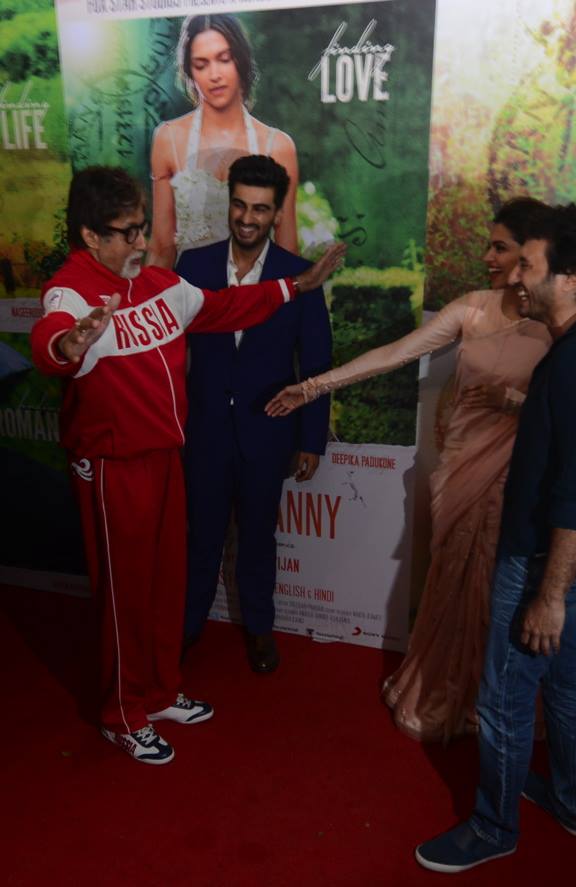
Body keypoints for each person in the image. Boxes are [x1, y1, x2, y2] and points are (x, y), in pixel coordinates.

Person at [30, 166, 343, 765]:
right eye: (126, 232)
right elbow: (54, 337)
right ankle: (121, 714)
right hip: (113, 463)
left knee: (163, 585)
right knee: (124, 598)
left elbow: (227, 306)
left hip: (166, 457)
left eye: (143, 227)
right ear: (92, 237)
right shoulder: (70, 289)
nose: (141, 242)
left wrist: (293, 288)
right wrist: (68, 346)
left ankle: (158, 690)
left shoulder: (154, 282)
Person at [267, 198, 553, 740]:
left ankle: (489, 699)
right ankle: (445, 687)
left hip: (512, 480)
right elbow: (394, 353)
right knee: (450, 582)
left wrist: (513, 400)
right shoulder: (472, 308)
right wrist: (312, 387)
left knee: (494, 591)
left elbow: (568, 410)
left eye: (500, 246)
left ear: (531, 254)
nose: (487, 256)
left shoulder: (553, 326)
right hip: (459, 469)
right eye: (489, 244)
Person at [414, 203, 576, 873]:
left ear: (568, 277)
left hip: (543, 566)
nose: (516, 279)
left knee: (504, 697)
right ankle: (571, 800)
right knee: (565, 684)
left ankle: (492, 826)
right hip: (561, 565)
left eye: (530, 266)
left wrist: (547, 592)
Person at [178, 154, 332, 673]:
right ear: (230, 201)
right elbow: (174, 357)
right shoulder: (192, 266)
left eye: (260, 209)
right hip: (204, 433)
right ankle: (186, 626)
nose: (247, 218)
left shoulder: (299, 277)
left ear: (277, 211)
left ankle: (261, 630)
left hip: (267, 432)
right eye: (240, 204)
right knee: (200, 536)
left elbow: (315, 362)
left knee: (259, 538)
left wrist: (311, 439)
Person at [148, 13, 298, 268]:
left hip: (254, 300)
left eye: (223, 59)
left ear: (240, 60)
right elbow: (162, 247)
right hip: (191, 299)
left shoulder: (278, 146)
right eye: (201, 64)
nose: (214, 74)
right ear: (189, 72)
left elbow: (287, 250)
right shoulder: (168, 139)